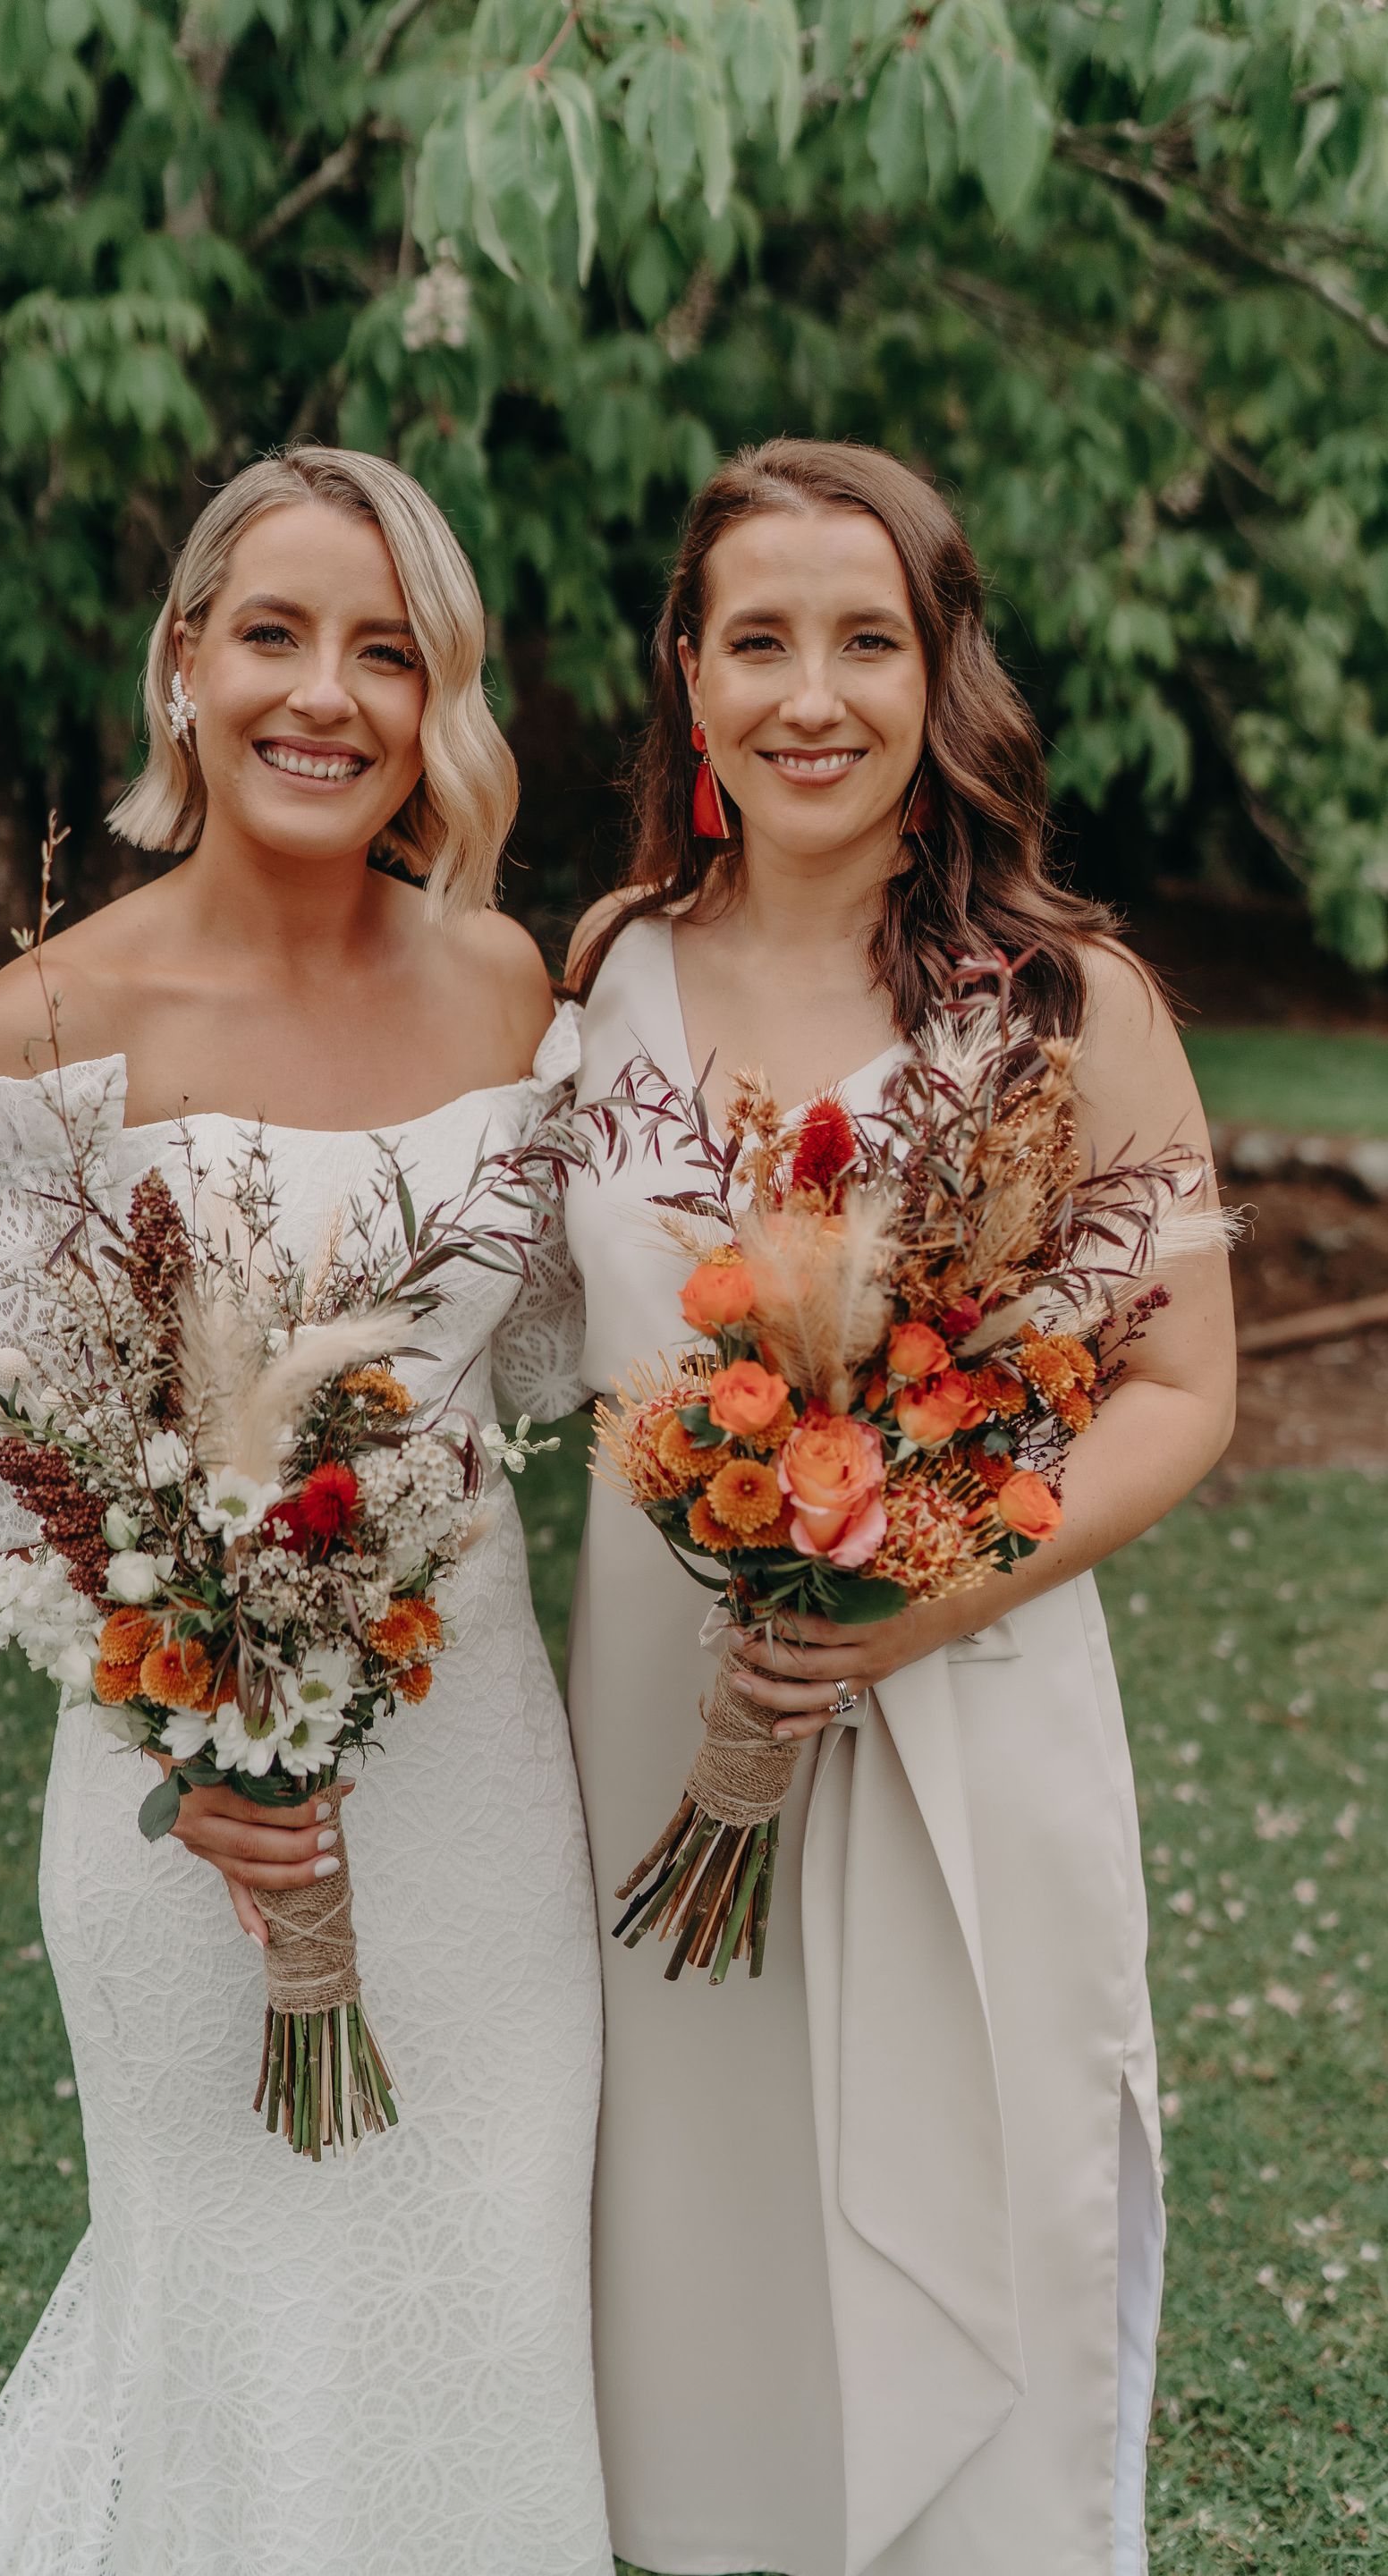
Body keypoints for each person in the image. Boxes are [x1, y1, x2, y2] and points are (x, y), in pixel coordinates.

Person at [0, 446, 613, 2576]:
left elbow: (533, 1368)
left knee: (492, 2289)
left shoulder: (508, 991)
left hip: (477, 1790)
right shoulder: (58, 1021)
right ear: (186, 665)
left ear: (438, 701)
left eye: (388, 650)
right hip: (181, 1814)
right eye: (274, 632)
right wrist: (205, 1739)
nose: (325, 695)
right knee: (240, 2329)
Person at [554, 438, 1235, 2576]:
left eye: (871, 639)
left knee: (981, 2266)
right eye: (758, 639)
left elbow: (1184, 1392)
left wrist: (913, 1598)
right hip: (665, 1739)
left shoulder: (1066, 1001)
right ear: (686, 677)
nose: (812, 694)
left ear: (947, 676)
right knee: (698, 2283)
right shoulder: (604, 969)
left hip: (964, 1716)